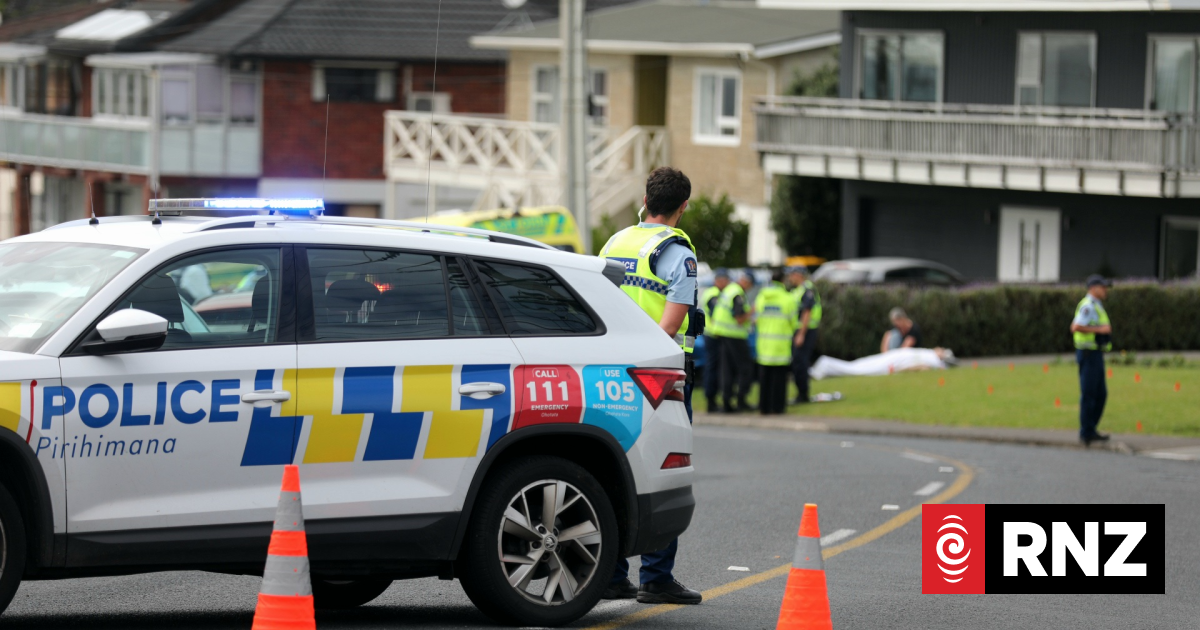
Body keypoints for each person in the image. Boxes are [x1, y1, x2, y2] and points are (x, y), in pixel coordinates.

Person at [598, 166, 703, 605]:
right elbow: (670, 327)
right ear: (683, 206)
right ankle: (656, 579)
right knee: (662, 471)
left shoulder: (614, 242)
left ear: (645, 199)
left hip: (609, 371)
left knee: (610, 468)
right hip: (659, 376)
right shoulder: (678, 254)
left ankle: (610, 575)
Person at [1071, 275, 1113, 446]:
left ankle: (1090, 429)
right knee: (1089, 394)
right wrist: (1100, 330)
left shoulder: (1097, 305)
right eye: (1103, 287)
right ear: (1094, 288)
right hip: (1088, 354)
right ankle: (1086, 433)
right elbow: (1076, 327)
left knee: (1101, 394)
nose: (1105, 290)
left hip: (1095, 354)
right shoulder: (1088, 306)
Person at [711, 269, 756, 413]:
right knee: (745, 369)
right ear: (747, 282)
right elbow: (739, 319)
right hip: (734, 335)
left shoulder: (730, 289)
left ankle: (726, 402)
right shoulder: (737, 294)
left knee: (727, 370)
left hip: (723, 334)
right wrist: (752, 312)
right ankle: (741, 400)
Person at [755, 269, 796, 415]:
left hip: (764, 345)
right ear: (783, 281)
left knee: (764, 379)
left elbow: (756, 318)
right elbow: (794, 321)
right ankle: (778, 408)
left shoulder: (762, 297)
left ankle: (764, 408)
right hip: (780, 346)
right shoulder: (788, 298)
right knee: (779, 380)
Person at [788, 266, 821, 404]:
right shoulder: (797, 290)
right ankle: (801, 394)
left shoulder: (807, 289)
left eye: (792, 274)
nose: (790, 277)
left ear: (798, 275)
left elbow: (807, 312)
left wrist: (801, 334)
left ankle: (803, 395)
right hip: (799, 331)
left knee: (800, 362)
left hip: (806, 331)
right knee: (797, 362)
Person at [700, 269, 730, 412]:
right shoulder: (714, 294)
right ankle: (711, 400)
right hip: (713, 335)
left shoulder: (717, 293)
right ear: (717, 280)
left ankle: (713, 399)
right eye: (724, 280)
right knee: (713, 368)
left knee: (715, 368)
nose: (726, 283)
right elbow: (715, 315)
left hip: (714, 335)